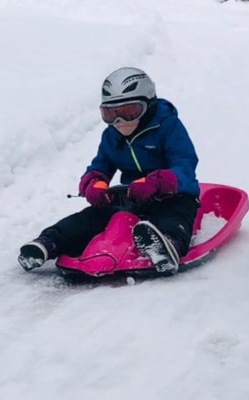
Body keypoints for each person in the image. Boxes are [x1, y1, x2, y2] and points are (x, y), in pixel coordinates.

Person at [19, 67, 200, 276]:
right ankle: (48, 243)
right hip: (131, 197)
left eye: (129, 112)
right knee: (89, 219)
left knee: (175, 217)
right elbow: (100, 165)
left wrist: (156, 182)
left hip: (173, 195)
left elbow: (185, 165)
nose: (119, 122)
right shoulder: (111, 136)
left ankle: (167, 246)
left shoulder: (169, 127)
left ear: (148, 106)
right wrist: (94, 184)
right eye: (111, 114)